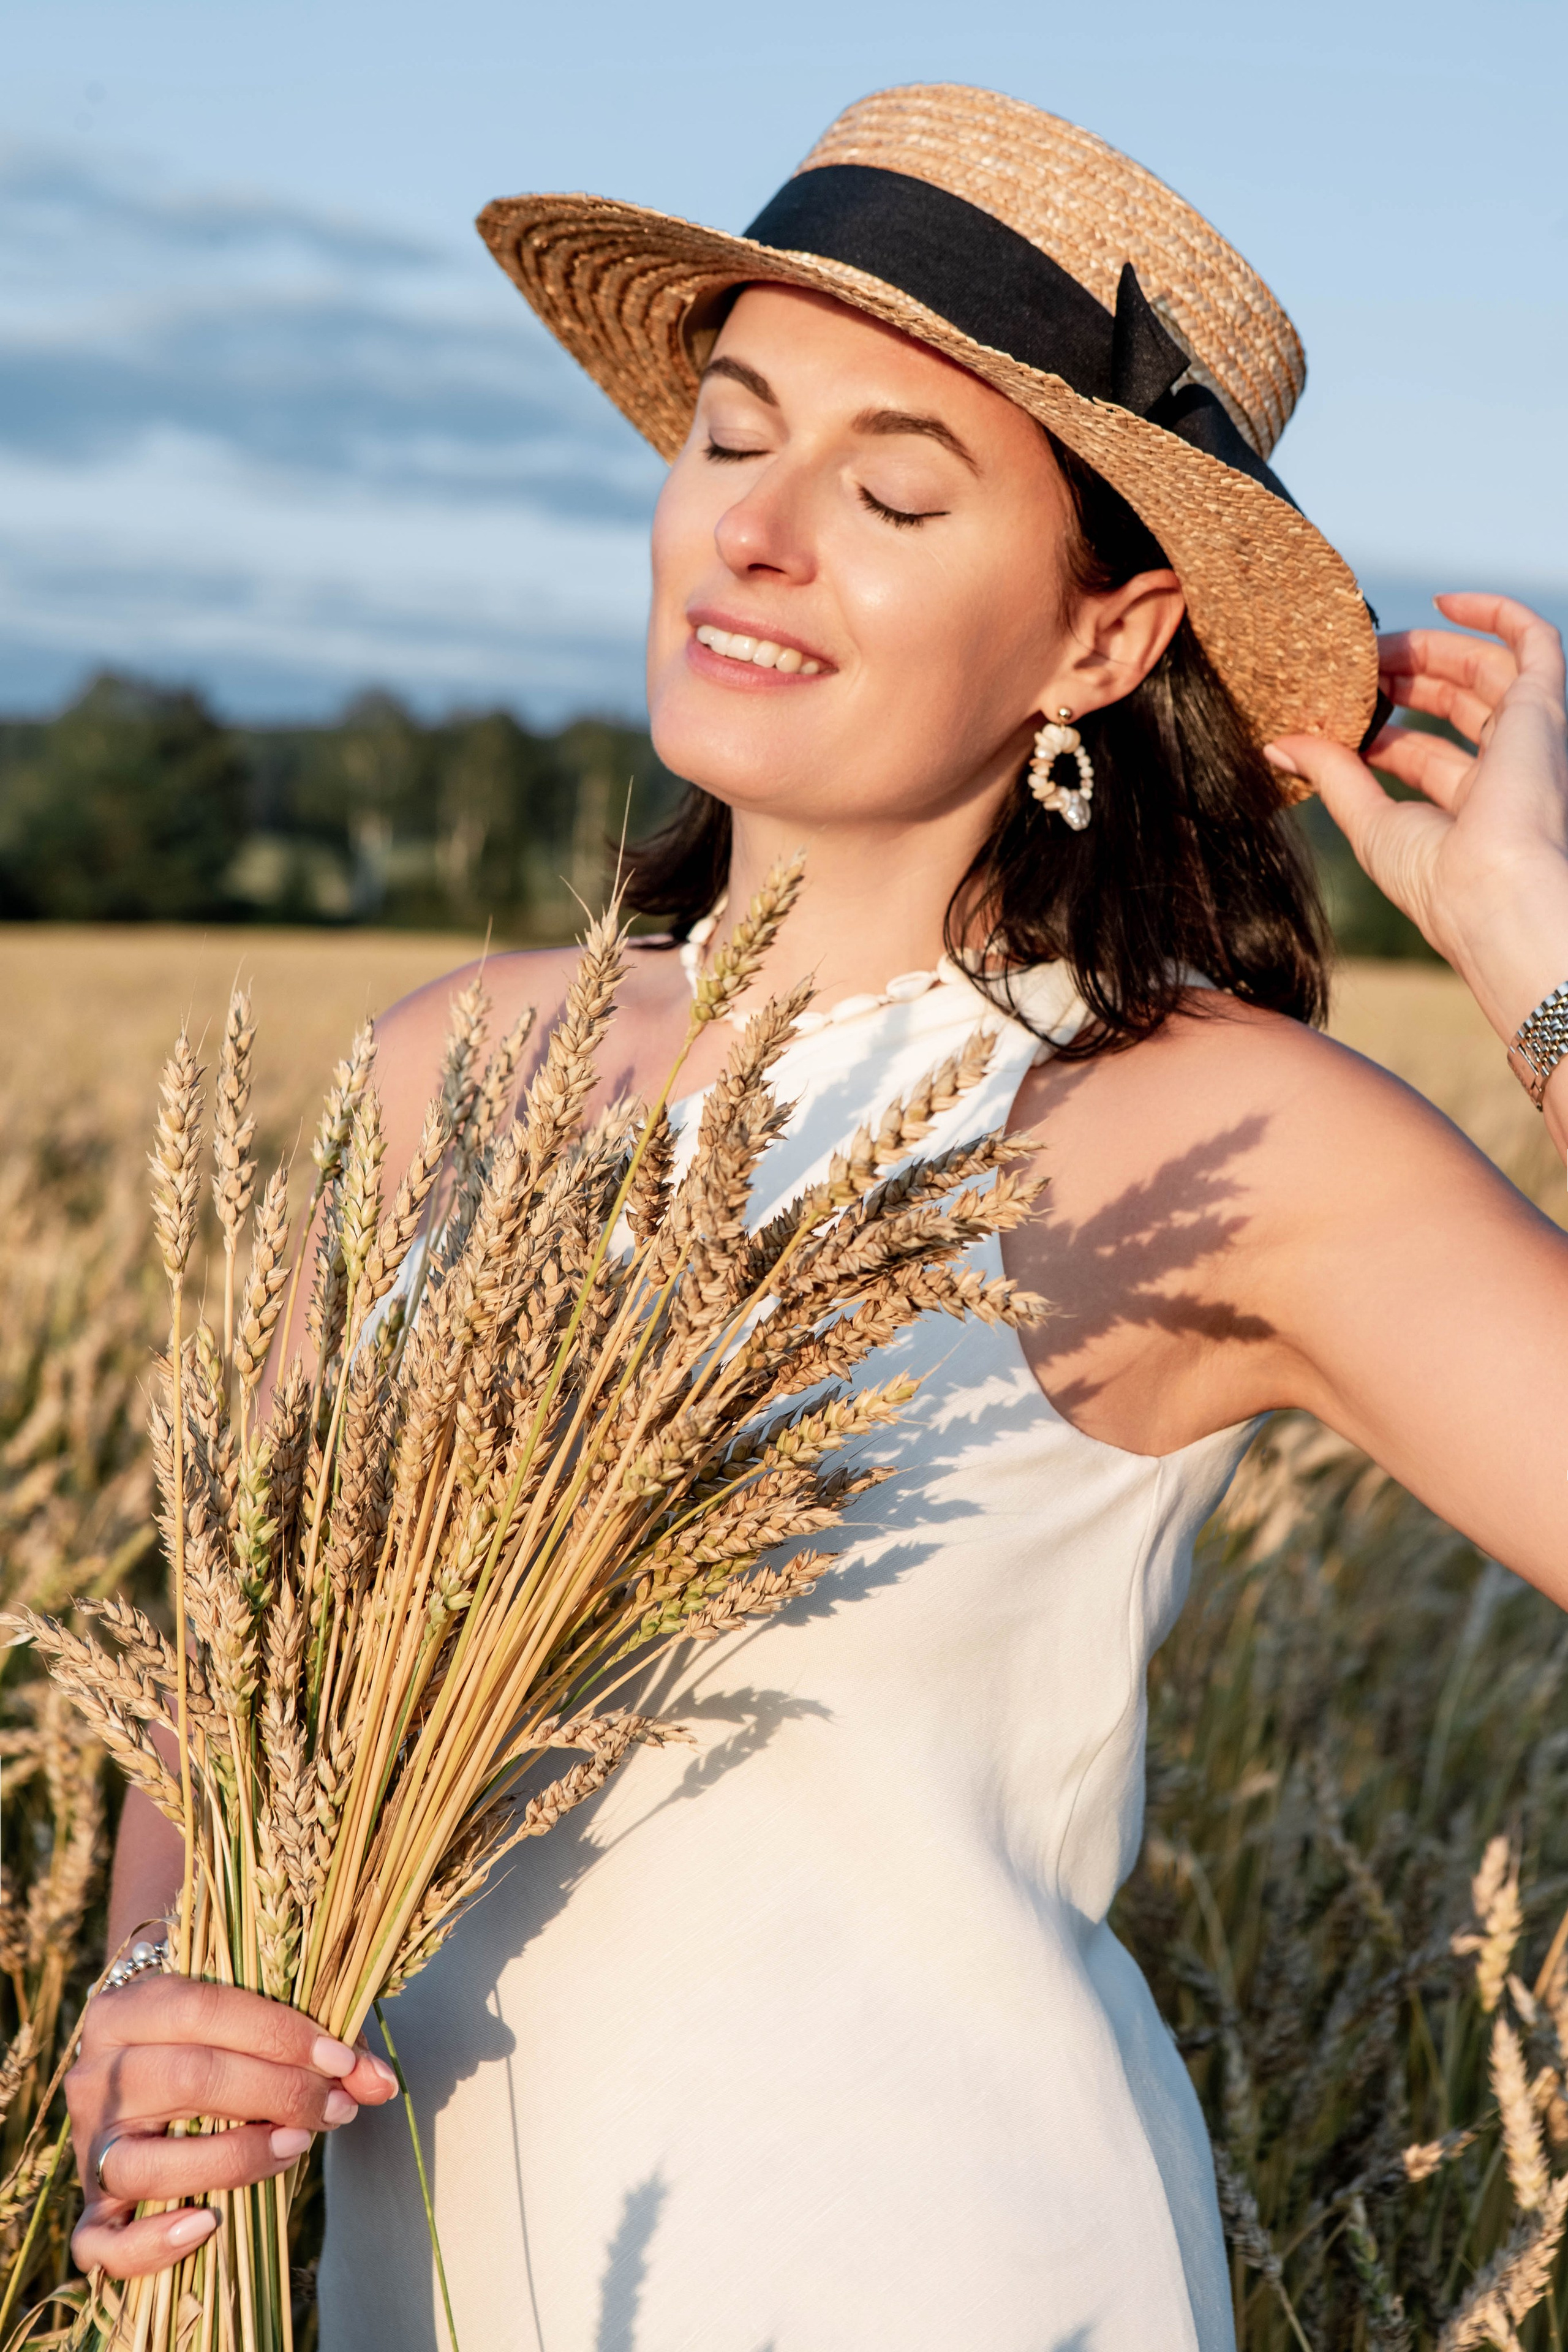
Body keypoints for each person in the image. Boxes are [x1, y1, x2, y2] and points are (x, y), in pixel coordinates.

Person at [70, 83, 1568, 2351]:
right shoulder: (444, 1067)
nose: (754, 533)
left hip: (942, 2274)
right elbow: (227, 1687)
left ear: (1101, 635)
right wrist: (142, 2011)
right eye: (729, 438)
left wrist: (1545, 961)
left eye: (888, 490)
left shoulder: (1202, 1127)